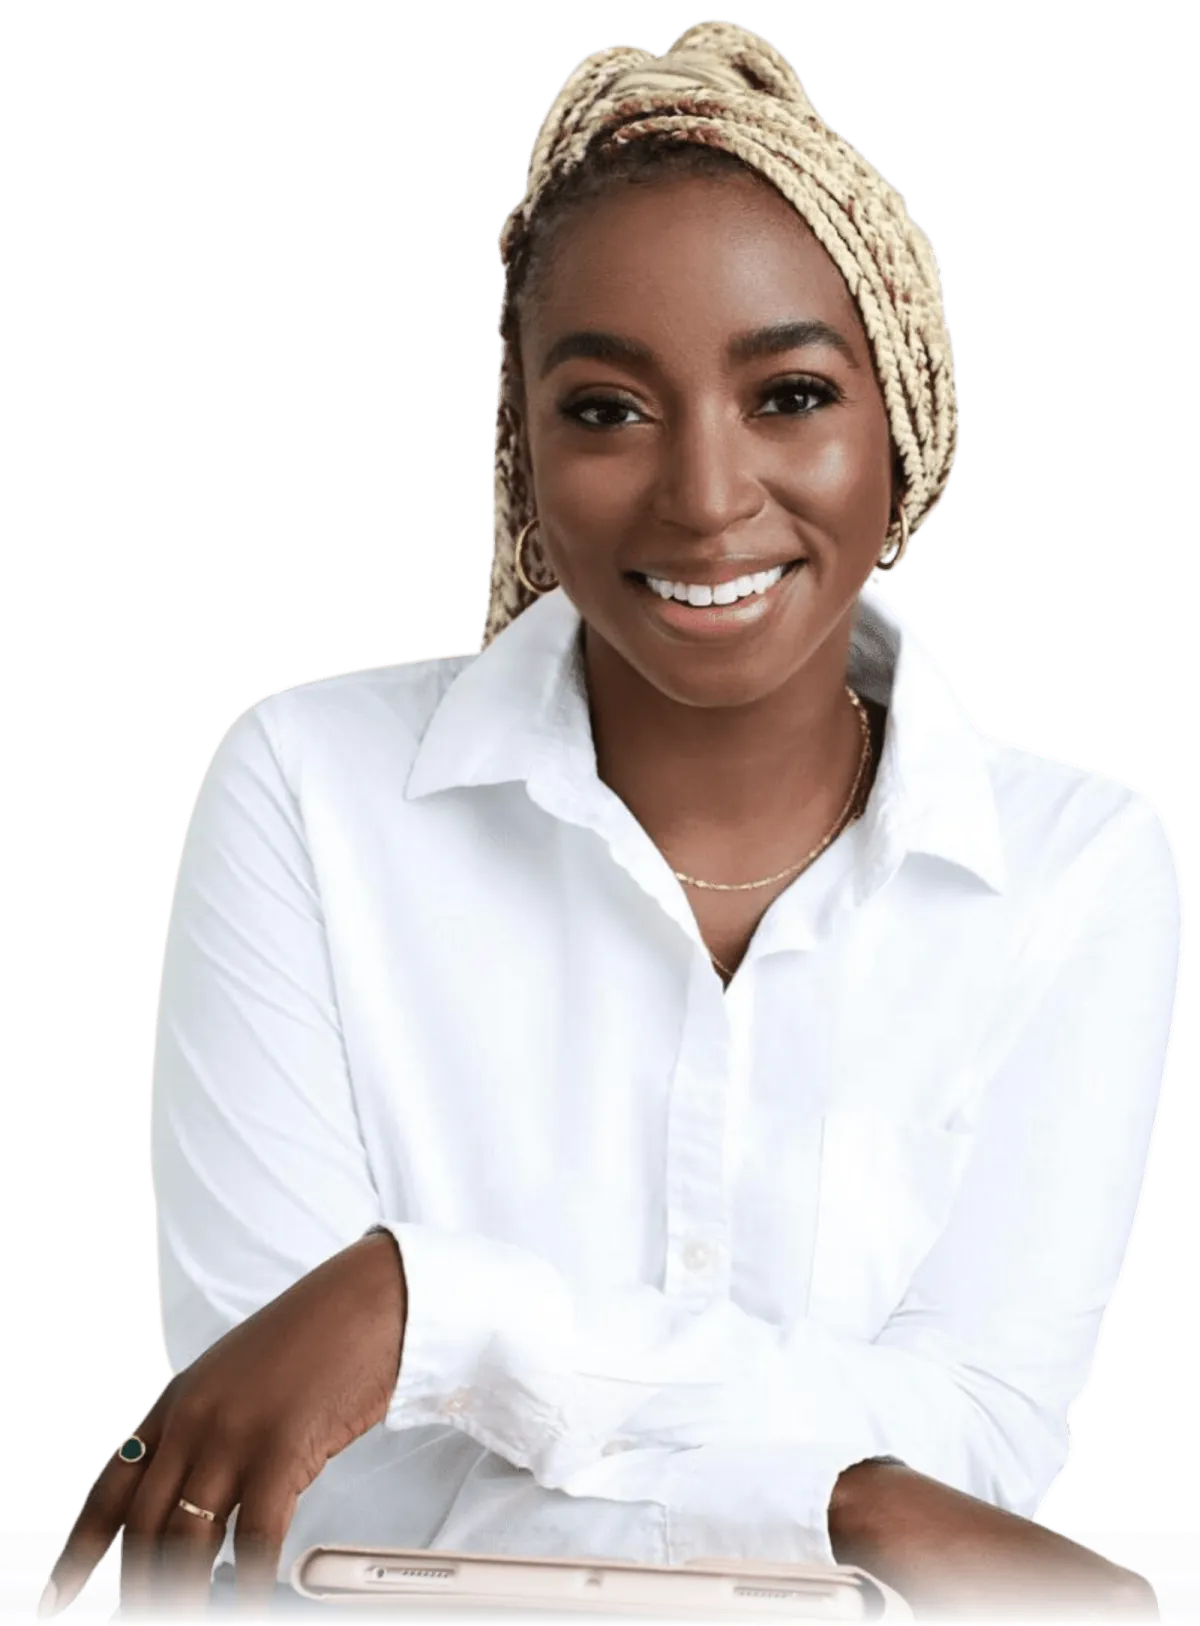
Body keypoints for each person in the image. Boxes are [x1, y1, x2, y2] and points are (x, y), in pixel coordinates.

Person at [39, 19, 1181, 1621]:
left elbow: (980, 1450)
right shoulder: (305, 790)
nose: (707, 496)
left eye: (788, 392)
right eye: (606, 410)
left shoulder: (1081, 867)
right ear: (524, 439)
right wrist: (844, 1491)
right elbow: (289, 1471)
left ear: (901, 414)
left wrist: (441, 1314)